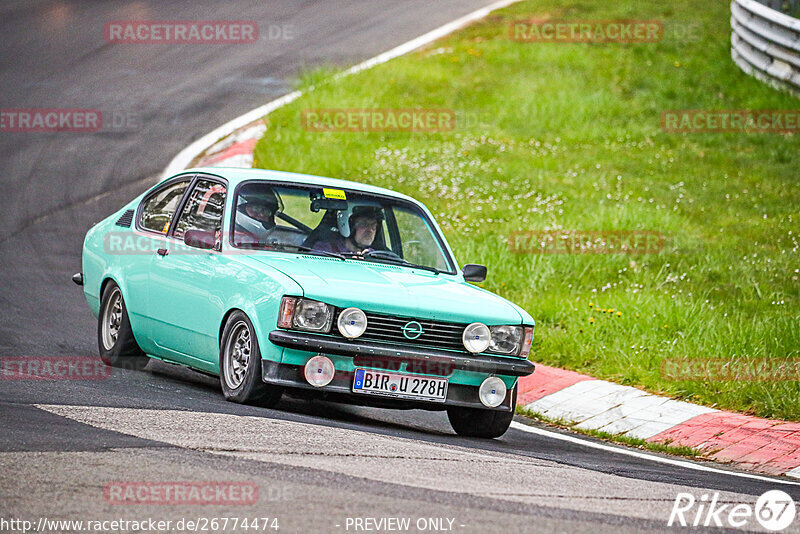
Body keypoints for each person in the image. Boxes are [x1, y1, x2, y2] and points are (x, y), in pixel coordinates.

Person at [313, 205, 383, 254]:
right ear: (348, 225)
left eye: (373, 225)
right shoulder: (324, 250)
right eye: (364, 224)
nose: (370, 230)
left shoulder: (375, 255)